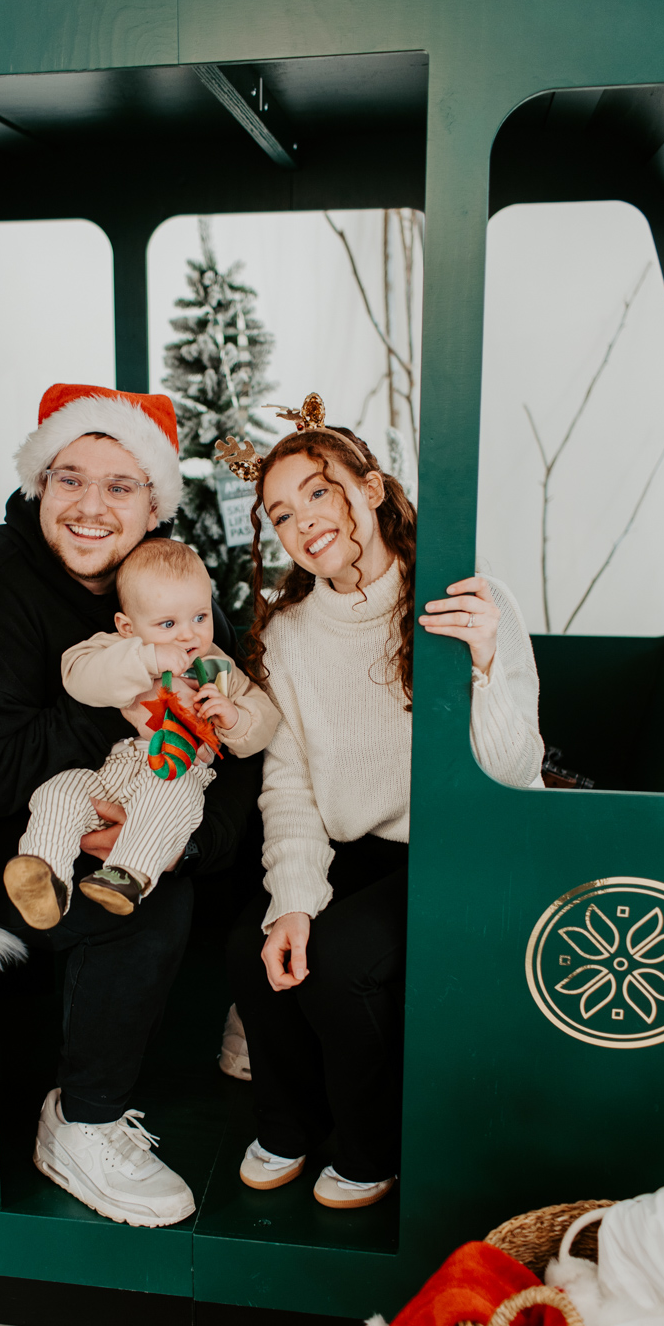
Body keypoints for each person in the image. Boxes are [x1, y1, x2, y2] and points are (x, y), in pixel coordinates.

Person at [222, 394, 543, 1211]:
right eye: (282, 513)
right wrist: (292, 900)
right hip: (360, 846)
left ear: (369, 486)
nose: (303, 522)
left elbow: (512, 768)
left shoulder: (463, 595)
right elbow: (288, 781)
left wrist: (481, 665)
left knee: (344, 962)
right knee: (254, 948)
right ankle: (289, 1124)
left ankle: (373, 1147)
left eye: (318, 492)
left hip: (464, 839)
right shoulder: (289, 632)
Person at [0, 383, 261, 1230]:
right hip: (18, 845)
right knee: (139, 900)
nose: (91, 507)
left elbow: (240, 747)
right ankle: (84, 1124)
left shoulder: (176, 582)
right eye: (69, 479)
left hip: (152, 813)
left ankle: (252, 1027)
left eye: (120, 485)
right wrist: (116, 679)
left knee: (224, 838)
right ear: (40, 485)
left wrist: (191, 841)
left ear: (154, 503)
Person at [4, 537, 279, 921]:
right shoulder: (118, 648)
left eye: (200, 617)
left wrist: (235, 717)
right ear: (127, 625)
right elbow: (78, 675)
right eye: (168, 624)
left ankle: (126, 875)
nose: (188, 635)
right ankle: (44, 875)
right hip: (115, 769)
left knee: (171, 801)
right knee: (60, 790)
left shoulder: (219, 668)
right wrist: (145, 657)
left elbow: (265, 718)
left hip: (176, 771)